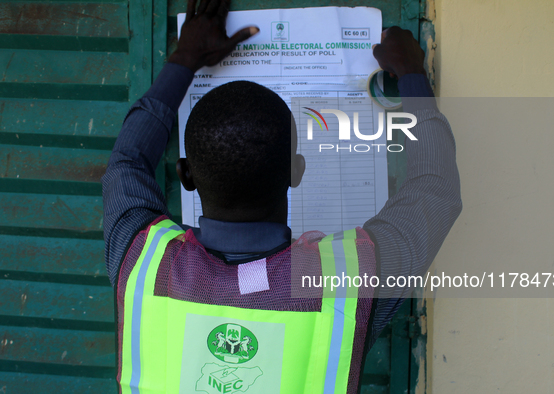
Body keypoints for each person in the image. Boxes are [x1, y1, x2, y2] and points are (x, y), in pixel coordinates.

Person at [101, 0, 462, 392]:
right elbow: (436, 187)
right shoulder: (348, 281)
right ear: (297, 172)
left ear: (185, 175)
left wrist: (186, 57)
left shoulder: (140, 260)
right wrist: (410, 72)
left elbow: (128, 160)